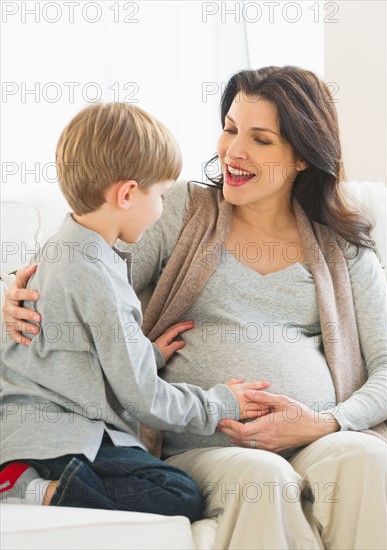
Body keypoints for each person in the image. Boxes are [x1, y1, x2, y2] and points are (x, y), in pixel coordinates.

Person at [4, 67, 387, 549]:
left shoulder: (344, 245)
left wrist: (326, 421)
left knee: (368, 458)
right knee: (261, 477)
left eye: (260, 139)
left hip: (314, 439)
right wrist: (16, 295)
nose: (233, 151)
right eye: (229, 128)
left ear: (302, 158)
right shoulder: (183, 210)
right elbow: (85, 266)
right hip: (204, 448)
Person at [0, 102, 270, 518]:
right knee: (178, 494)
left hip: (26, 430)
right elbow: (143, 398)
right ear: (127, 194)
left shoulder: (61, 246)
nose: (163, 206)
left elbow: (82, 352)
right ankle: (31, 490)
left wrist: (150, 354)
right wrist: (221, 403)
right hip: (61, 437)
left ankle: (25, 477)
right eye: (160, 194)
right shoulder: (99, 276)